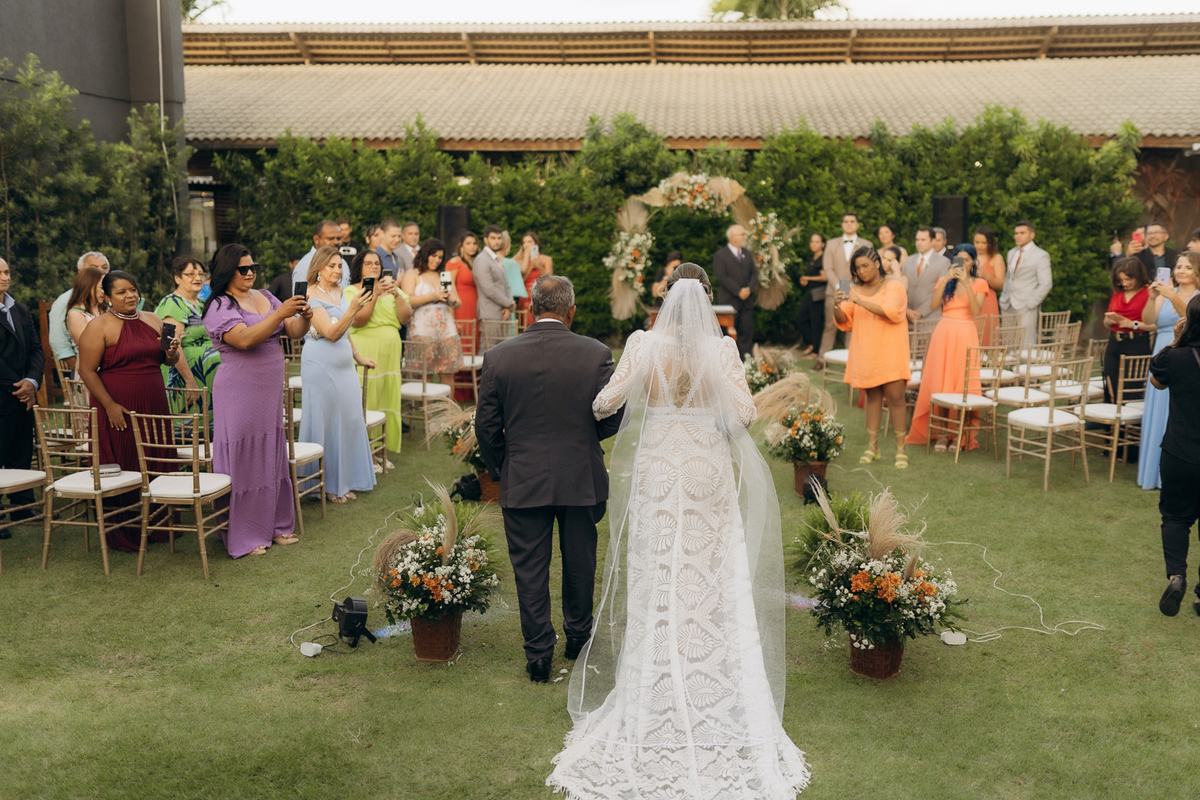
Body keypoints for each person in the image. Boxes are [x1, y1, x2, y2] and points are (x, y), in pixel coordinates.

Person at [546, 265, 809, 797]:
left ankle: (658, 670)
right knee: (711, 569)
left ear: (665, 300)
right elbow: (744, 412)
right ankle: (707, 665)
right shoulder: (723, 350)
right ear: (708, 301)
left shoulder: (644, 344)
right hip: (707, 469)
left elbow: (604, 403)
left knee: (659, 567)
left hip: (660, 472)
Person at [475, 274, 624, 684]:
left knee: (529, 569)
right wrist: (582, 441)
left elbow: (485, 427)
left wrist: (506, 468)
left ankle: (538, 654)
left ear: (530, 309)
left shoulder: (499, 356)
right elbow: (613, 418)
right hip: (580, 476)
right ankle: (578, 638)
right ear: (571, 311)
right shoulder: (595, 354)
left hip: (523, 477)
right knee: (580, 562)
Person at [203, 245, 312, 557]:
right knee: (244, 459)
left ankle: (276, 524)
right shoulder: (220, 305)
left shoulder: (265, 294)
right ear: (226, 271)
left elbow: (292, 331)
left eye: (253, 267)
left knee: (269, 454)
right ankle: (245, 533)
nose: (251, 273)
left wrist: (305, 316)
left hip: (268, 390)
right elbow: (245, 339)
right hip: (239, 388)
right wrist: (279, 312)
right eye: (243, 269)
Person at [77, 270, 187, 552]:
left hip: (154, 402)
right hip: (117, 405)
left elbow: (167, 358)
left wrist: (173, 352)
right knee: (128, 461)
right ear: (108, 297)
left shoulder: (155, 320)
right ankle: (126, 528)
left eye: (133, 290)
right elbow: (87, 371)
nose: (130, 296)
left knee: (157, 455)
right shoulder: (98, 326)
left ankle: (161, 523)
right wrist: (110, 405)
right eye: (122, 292)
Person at [302, 247, 378, 504]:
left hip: (345, 366)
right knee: (327, 423)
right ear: (319, 268)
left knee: (350, 419)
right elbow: (330, 333)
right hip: (320, 364)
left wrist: (358, 357)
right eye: (331, 266)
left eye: (339, 266)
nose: (337, 270)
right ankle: (327, 485)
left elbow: (345, 332)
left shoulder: (338, 292)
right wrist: (354, 308)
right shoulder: (310, 294)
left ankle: (346, 478)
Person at [834, 246, 911, 468]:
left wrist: (856, 300)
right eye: (857, 268)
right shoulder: (850, 287)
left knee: (896, 398)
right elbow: (843, 321)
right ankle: (872, 447)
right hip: (865, 350)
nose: (861, 271)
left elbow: (891, 312)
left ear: (877, 263)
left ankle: (900, 449)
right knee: (872, 398)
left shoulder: (894, 285)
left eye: (865, 265)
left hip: (891, 350)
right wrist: (836, 304)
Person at [907, 245, 988, 452]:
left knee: (962, 385)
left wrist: (966, 284)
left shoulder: (980, 283)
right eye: (959, 260)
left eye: (967, 260)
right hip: (944, 333)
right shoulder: (945, 282)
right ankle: (942, 434)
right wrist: (946, 280)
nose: (963, 264)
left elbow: (977, 311)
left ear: (973, 262)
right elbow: (934, 305)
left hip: (966, 334)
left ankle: (960, 434)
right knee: (940, 383)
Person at [1149, 295, 1200, 616]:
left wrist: (1178, 340)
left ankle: (1177, 576)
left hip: (1180, 452)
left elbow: (1156, 381)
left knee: (1176, 518)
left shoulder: (1177, 358)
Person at [1139, 252, 1200, 491]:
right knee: (1157, 412)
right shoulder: (1164, 293)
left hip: (1187, 358)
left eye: (1187, 267)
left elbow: (1192, 318)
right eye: (1178, 266)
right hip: (1164, 352)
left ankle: (1176, 475)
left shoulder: (1194, 297)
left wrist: (1172, 296)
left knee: (1177, 414)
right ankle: (1153, 474)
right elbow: (1149, 319)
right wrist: (1151, 297)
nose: (1181, 270)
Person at [346, 249, 412, 460]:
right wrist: (374, 292)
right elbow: (359, 320)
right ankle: (364, 454)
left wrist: (395, 294)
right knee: (367, 399)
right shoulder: (351, 291)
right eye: (369, 264)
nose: (375, 266)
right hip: (367, 349)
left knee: (387, 398)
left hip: (391, 353)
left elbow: (405, 317)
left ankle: (379, 450)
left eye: (377, 263)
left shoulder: (392, 288)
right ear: (359, 268)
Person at [0, 258, 44, 528]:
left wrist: (32, 381)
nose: (4, 277)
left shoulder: (21, 309)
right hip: (5, 392)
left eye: (6, 271)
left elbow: (36, 350)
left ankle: (22, 507)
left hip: (23, 395)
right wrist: (19, 386)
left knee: (21, 451)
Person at [155, 255, 221, 397]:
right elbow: (169, 343)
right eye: (190, 274)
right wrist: (190, 381)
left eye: (201, 274)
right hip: (185, 383)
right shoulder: (172, 303)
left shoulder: (203, 304)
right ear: (177, 278)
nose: (197, 278)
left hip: (209, 382)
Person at [401, 238, 462, 386]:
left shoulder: (444, 275)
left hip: (446, 330)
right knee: (425, 376)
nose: (436, 260)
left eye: (440, 257)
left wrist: (453, 300)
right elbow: (407, 300)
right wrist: (432, 297)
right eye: (433, 256)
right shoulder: (413, 274)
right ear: (425, 255)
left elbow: (458, 303)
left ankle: (449, 409)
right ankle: (426, 409)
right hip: (422, 331)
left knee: (448, 374)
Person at [817, 212, 865, 368]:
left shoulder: (866, 244)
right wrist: (840, 286)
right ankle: (822, 360)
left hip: (857, 292)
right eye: (846, 221)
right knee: (830, 326)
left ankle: (852, 362)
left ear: (857, 225)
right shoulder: (831, 244)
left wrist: (852, 288)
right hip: (834, 291)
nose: (849, 224)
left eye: (852, 221)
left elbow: (866, 269)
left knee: (853, 328)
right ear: (842, 224)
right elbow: (828, 268)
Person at [1102, 257, 1153, 404]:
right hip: (1114, 341)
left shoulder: (1149, 292)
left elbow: (1157, 325)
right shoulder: (1118, 292)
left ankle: (1127, 423)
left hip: (1136, 342)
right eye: (1121, 280)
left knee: (1130, 388)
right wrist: (1108, 321)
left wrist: (1133, 324)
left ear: (1138, 276)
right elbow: (1108, 324)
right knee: (1111, 384)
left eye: (1128, 279)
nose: (1124, 284)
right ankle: (1110, 423)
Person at [49, 251, 109, 371]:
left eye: (104, 268)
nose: (101, 271)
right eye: (94, 268)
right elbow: (59, 342)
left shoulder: (108, 301)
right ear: (80, 273)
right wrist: (83, 370)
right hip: (86, 369)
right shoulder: (65, 302)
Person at [998, 220, 1053, 346]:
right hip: (1007, 303)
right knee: (1008, 342)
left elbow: (1046, 283)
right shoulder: (1011, 253)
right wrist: (1003, 298)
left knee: (1025, 343)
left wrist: (1031, 304)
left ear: (1032, 235)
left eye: (1022, 233)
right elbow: (1009, 277)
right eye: (1016, 233)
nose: (1018, 236)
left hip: (1026, 305)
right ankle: (1008, 365)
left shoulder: (1041, 255)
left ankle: (1024, 366)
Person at [713, 223, 757, 359]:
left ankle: (746, 363)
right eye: (742, 234)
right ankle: (727, 361)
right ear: (732, 237)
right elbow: (722, 277)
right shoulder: (720, 255)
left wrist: (748, 289)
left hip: (746, 302)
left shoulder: (747, 254)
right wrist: (738, 291)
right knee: (728, 335)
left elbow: (754, 273)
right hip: (729, 301)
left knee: (746, 332)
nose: (745, 237)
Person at [475, 225, 517, 350]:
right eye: (493, 238)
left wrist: (509, 305)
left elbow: (507, 285)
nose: (497, 241)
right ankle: (482, 371)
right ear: (485, 240)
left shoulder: (497, 259)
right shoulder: (481, 260)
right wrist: (509, 304)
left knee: (502, 352)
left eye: (499, 238)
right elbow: (489, 289)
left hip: (504, 312)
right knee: (487, 351)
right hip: (490, 313)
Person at [901, 226, 951, 326]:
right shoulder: (908, 261)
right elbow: (901, 288)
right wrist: (907, 310)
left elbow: (941, 292)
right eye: (917, 240)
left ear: (933, 241)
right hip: (907, 319)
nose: (919, 243)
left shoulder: (944, 262)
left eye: (923, 240)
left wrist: (921, 312)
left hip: (930, 319)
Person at [64, 267, 109, 369]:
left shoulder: (104, 309)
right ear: (88, 286)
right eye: (102, 287)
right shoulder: (75, 314)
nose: (105, 292)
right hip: (91, 368)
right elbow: (88, 345)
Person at [972, 225, 1006, 342]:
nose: (979, 246)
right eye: (977, 242)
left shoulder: (996, 258)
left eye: (984, 243)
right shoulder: (969, 257)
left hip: (988, 300)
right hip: (971, 298)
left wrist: (986, 276)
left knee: (988, 332)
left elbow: (1000, 284)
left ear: (990, 243)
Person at [291, 219, 344, 292]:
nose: (336, 242)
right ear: (316, 239)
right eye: (330, 238)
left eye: (339, 238)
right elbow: (300, 300)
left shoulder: (342, 261)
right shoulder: (305, 265)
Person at [797, 234, 826, 355]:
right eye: (812, 241)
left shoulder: (823, 259)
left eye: (817, 242)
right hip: (811, 294)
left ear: (822, 244)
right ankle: (811, 343)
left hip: (819, 295)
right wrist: (805, 281)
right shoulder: (812, 259)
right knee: (800, 318)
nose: (813, 244)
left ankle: (815, 350)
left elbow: (824, 277)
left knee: (816, 322)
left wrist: (808, 278)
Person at [515, 231, 553, 316]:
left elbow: (549, 280)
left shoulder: (546, 259)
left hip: (542, 298)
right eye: (524, 242)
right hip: (525, 299)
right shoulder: (520, 261)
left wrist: (540, 268)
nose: (527, 244)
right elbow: (520, 282)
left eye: (529, 242)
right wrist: (531, 267)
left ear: (536, 243)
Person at [499, 231, 528, 306]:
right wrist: (527, 253)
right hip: (507, 301)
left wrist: (518, 255)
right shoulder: (509, 263)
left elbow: (508, 263)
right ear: (506, 245)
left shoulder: (495, 261)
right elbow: (523, 270)